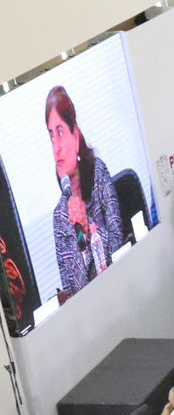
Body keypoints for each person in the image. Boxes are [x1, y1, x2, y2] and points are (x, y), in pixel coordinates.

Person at [45, 85, 125, 300]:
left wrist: (88, 228)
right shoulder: (60, 217)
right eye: (51, 136)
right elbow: (73, 289)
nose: (56, 147)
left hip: (120, 289)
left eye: (60, 132)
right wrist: (79, 235)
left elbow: (118, 249)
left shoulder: (98, 174)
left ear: (75, 135)